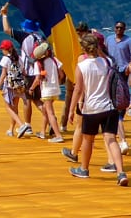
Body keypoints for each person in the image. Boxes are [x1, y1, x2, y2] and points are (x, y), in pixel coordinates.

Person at [67, 33, 127, 185]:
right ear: (98, 47)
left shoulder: (81, 66)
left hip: (91, 108)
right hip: (109, 107)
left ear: (84, 49)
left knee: (88, 139)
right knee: (111, 139)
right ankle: (121, 173)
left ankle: (84, 169)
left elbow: (78, 89)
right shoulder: (106, 62)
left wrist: (71, 109)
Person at [1, 4, 44, 138]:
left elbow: (7, 29)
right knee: (38, 100)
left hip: (28, 73)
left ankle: (28, 125)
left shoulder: (24, 36)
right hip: (40, 72)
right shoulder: (42, 38)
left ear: (26, 28)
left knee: (27, 100)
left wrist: (4, 14)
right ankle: (48, 120)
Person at [29, 42, 65, 142]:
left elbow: (37, 79)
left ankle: (58, 136)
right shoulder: (54, 60)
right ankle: (42, 132)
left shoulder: (38, 64)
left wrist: (31, 88)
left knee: (50, 113)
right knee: (45, 110)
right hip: (55, 89)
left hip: (46, 91)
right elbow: (61, 75)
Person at [106, 21, 131, 154]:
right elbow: (105, 52)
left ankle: (122, 140)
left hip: (123, 71)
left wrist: (129, 67)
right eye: (117, 27)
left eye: (121, 28)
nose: (119, 29)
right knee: (115, 101)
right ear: (114, 28)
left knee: (119, 103)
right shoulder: (109, 39)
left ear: (124, 29)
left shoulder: (128, 41)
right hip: (111, 72)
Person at [0, 39, 25, 137]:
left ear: (6, 49)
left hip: (9, 86)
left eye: (2, 49)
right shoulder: (19, 58)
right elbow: (23, 71)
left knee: (8, 107)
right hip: (19, 85)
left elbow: (3, 74)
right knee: (15, 108)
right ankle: (11, 129)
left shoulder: (5, 59)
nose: (2, 50)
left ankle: (21, 125)